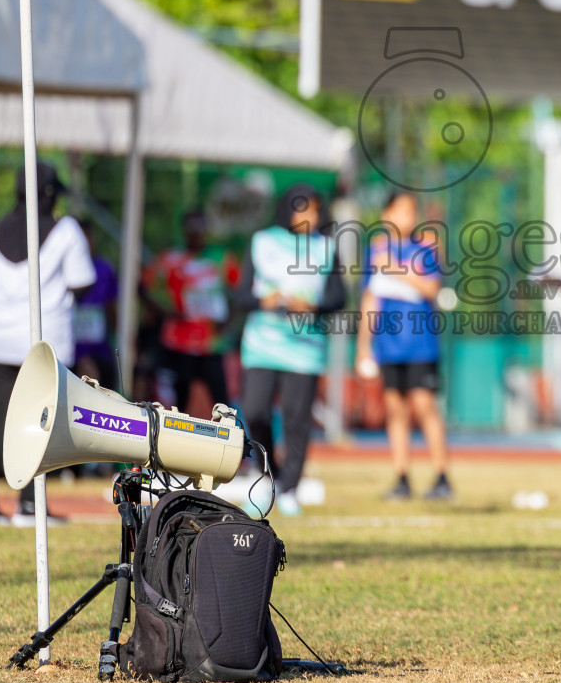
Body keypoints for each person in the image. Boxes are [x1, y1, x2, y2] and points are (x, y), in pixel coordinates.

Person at [0, 162, 96, 526]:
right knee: (44, 422)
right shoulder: (65, 230)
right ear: (50, 194)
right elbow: (84, 281)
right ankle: (29, 504)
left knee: (0, 419)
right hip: (45, 342)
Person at [236, 185, 345, 517]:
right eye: (302, 209)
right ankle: (269, 477)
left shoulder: (326, 248)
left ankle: (290, 488)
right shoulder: (262, 242)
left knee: (298, 419)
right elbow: (239, 296)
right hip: (262, 345)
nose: (309, 217)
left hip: (304, 348)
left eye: (314, 210)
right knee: (254, 412)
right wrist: (262, 301)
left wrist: (314, 305)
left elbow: (339, 298)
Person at [355, 191, 452, 501]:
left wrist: (394, 267)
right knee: (395, 410)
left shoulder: (424, 249)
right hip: (387, 345)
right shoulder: (375, 251)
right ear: (386, 215)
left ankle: (441, 477)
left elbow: (431, 287)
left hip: (420, 344)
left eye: (411, 212)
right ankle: (402, 477)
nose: (407, 218)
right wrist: (363, 348)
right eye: (401, 211)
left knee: (424, 406)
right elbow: (370, 300)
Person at [143, 209, 237, 415]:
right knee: (179, 405)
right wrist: (164, 312)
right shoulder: (171, 258)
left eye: (200, 226)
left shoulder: (222, 257)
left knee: (223, 406)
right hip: (178, 344)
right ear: (183, 230)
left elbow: (241, 291)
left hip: (212, 343)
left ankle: (234, 444)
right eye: (191, 227)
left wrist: (228, 321)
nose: (195, 232)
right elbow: (143, 286)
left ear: (207, 229)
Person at [72, 219, 120, 391]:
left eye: (89, 239)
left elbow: (111, 308)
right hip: (69, 352)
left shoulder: (104, 269)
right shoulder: (63, 268)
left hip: (100, 350)